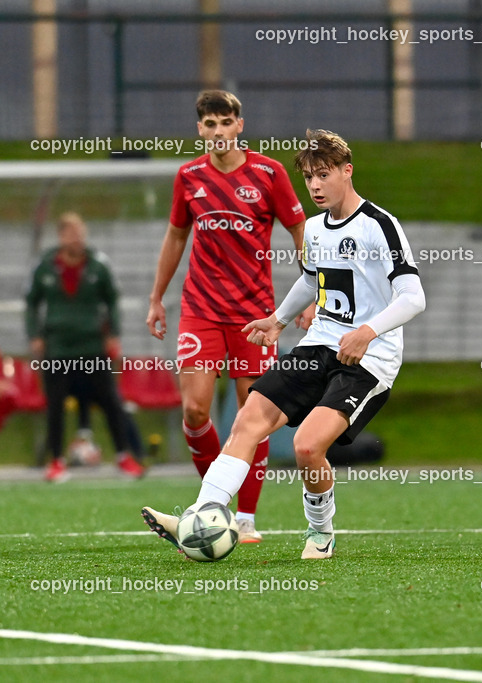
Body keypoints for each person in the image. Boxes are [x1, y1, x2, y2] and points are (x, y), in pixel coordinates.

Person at [142, 128, 425, 559]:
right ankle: (201, 516)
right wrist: (278, 320)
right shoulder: (314, 228)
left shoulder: (379, 226)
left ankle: (321, 532)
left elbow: (413, 297)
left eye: (323, 175)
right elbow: (312, 281)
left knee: (307, 447)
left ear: (347, 171)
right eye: (309, 177)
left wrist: (367, 332)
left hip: (369, 358)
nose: (315, 185)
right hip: (319, 345)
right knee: (247, 420)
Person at [146, 90, 306, 542]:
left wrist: (311, 294)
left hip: (255, 314)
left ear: (239, 125)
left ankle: (246, 517)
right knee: (195, 409)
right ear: (200, 129)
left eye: (225, 122)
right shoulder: (189, 176)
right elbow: (176, 237)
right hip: (201, 310)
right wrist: (157, 298)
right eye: (210, 124)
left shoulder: (268, 173)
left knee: (251, 413)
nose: (218, 131)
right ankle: (213, 505)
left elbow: (300, 231)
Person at [25, 212, 146, 482]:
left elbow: (112, 300)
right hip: (58, 348)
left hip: (92, 347)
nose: (76, 239)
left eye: (80, 233)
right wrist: (35, 335)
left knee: (111, 402)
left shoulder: (98, 265)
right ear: (61, 236)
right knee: (55, 405)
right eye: (71, 234)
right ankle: (57, 461)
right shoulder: (45, 266)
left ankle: (123, 457)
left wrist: (113, 333)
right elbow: (31, 302)